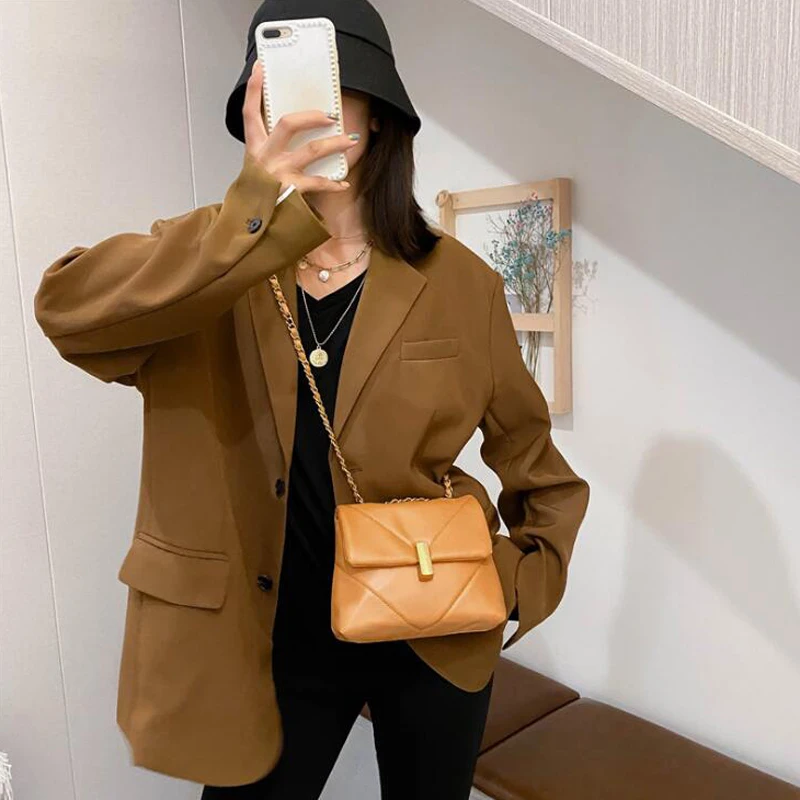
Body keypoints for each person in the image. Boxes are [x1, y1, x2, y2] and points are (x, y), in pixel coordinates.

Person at [33, 1, 590, 798]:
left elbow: (542, 471)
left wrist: (516, 589)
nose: (295, 113)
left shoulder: (460, 285)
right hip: (268, 640)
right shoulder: (209, 268)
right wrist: (252, 209)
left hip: (432, 631)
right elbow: (68, 314)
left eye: (324, 91)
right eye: (273, 95)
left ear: (379, 115)